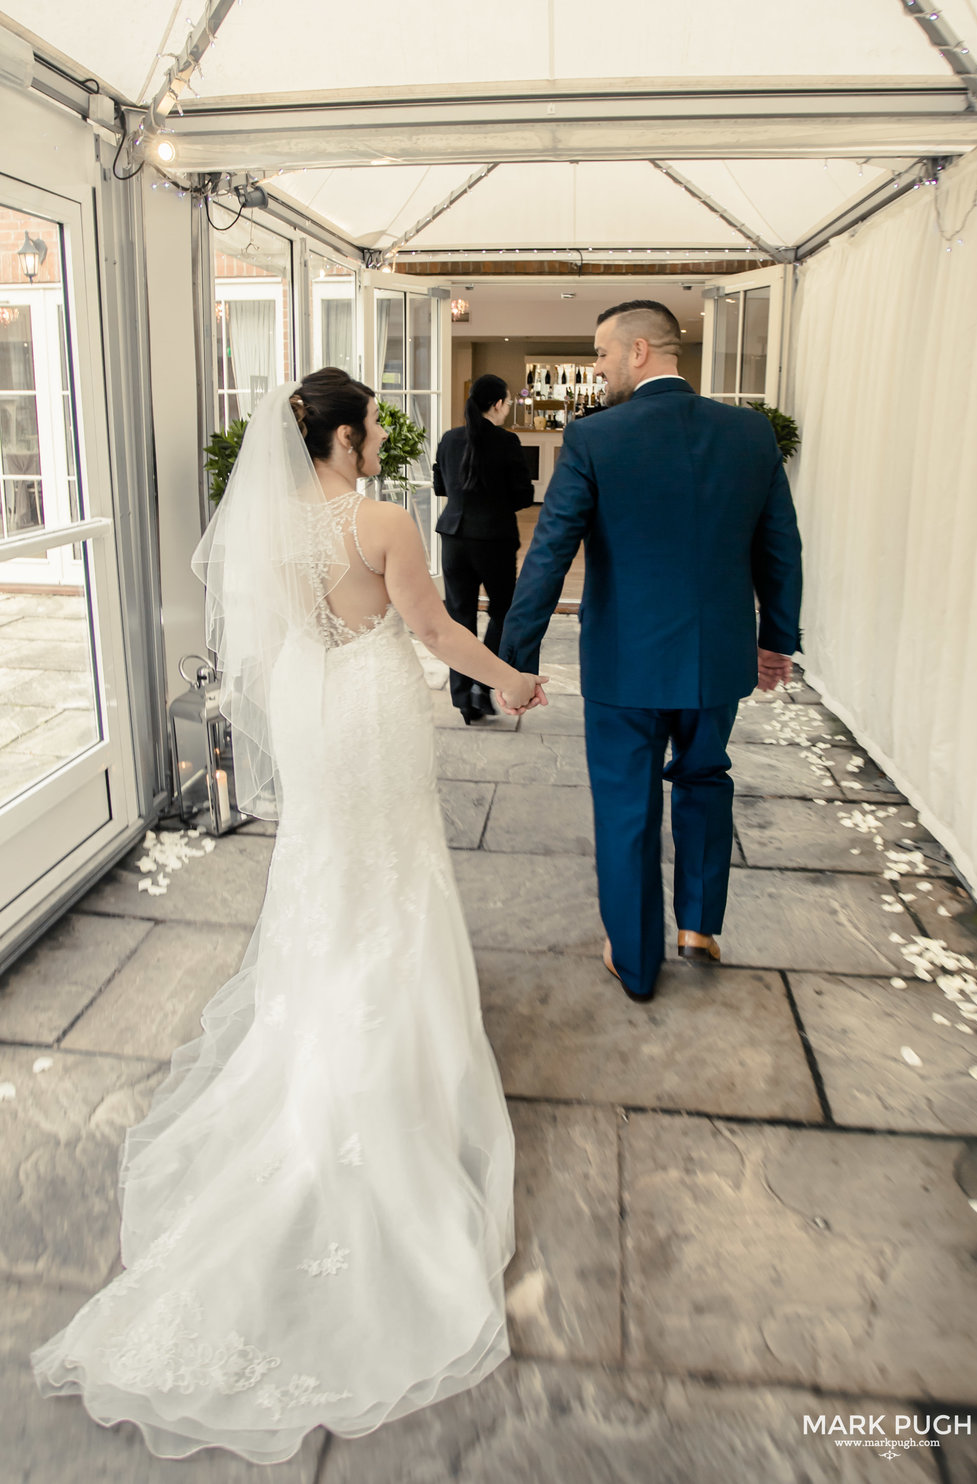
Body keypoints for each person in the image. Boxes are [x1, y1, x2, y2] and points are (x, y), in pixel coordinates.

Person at [32, 369, 547, 1463]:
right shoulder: (381, 520)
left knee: (326, 870)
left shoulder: (269, 531)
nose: (373, 443)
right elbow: (430, 626)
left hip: (316, 712)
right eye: (368, 430)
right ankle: (390, 1067)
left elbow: (270, 644)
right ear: (351, 434)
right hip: (371, 706)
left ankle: (321, 1029)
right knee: (394, 873)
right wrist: (507, 678)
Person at [500, 300, 802, 1002]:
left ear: (638, 352)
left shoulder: (596, 438)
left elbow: (549, 553)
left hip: (625, 664)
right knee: (705, 779)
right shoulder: (750, 434)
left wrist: (517, 655)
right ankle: (698, 926)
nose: (597, 367)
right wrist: (776, 640)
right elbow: (780, 550)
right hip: (716, 658)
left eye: (602, 354)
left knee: (627, 804)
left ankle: (636, 961)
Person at [434, 374, 535, 723]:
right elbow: (524, 496)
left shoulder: (449, 439)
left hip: (453, 535)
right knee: (503, 611)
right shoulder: (507, 442)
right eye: (507, 402)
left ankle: (463, 698)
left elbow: (439, 486)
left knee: (459, 618)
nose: (508, 408)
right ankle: (482, 682)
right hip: (493, 539)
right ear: (497, 404)